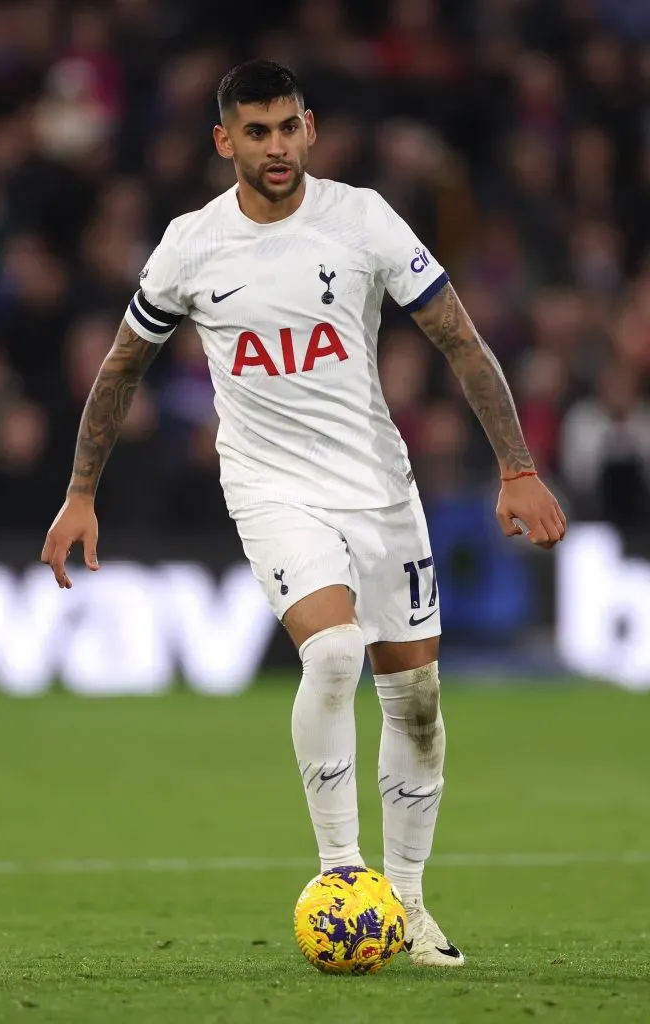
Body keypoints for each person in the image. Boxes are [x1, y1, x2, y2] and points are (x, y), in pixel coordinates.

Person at [41, 59, 567, 967]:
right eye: (256, 132)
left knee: (418, 707)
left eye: (288, 128)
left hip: (378, 487)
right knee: (331, 654)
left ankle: (405, 905)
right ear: (224, 141)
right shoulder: (190, 246)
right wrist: (81, 492)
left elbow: (459, 340)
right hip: (271, 488)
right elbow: (122, 366)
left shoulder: (361, 218)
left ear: (309, 128)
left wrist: (517, 467)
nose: (275, 147)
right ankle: (341, 876)